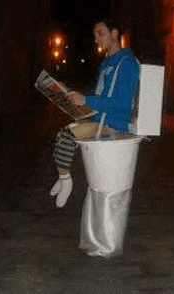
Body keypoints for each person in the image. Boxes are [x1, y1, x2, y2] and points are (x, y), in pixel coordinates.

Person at [50, 18, 140, 208]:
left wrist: (86, 100)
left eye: (100, 34)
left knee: (67, 135)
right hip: (98, 121)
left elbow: (122, 103)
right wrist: (75, 97)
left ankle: (66, 181)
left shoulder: (127, 63)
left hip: (114, 126)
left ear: (114, 34)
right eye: (95, 35)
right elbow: (102, 96)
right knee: (63, 136)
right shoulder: (107, 65)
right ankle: (64, 177)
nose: (96, 39)